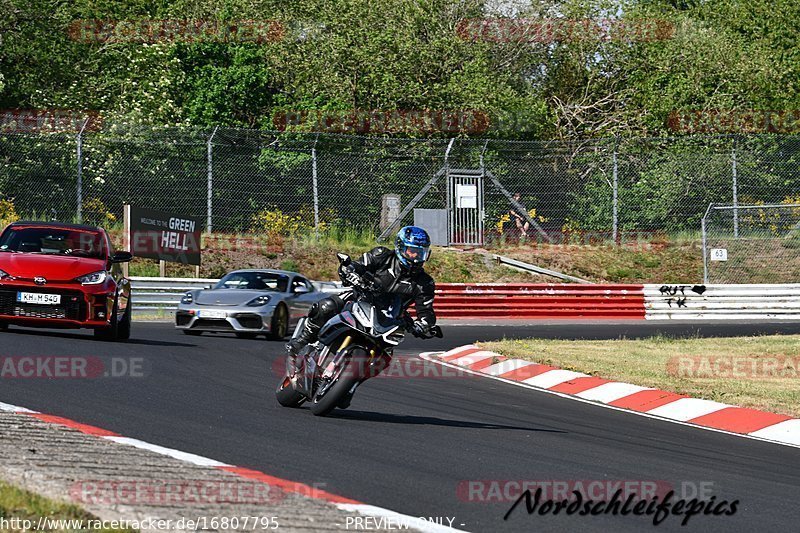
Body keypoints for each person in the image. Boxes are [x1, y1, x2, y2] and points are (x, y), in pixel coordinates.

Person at [286, 225, 437, 359]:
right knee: (326, 306)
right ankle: (303, 339)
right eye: (412, 251)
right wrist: (350, 270)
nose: (417, 257)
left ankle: (350, 382)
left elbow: (426, 311)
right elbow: (357, 265)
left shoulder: (425, 283)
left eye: (421, 253)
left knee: (385, 356)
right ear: (400, 247)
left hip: (389, 318)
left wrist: (424, 324)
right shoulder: (382, 255)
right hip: (362, 297)